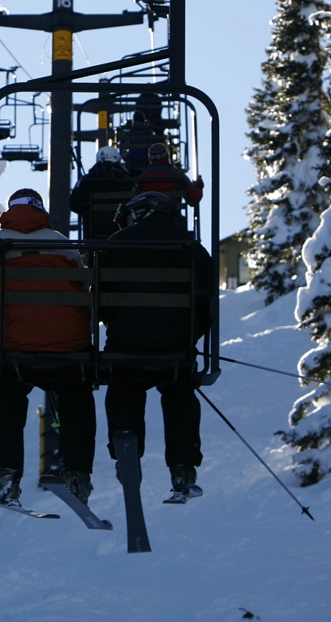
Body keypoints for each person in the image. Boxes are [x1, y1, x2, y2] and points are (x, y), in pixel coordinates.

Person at [0, 188, 97, 506]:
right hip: (70, 350)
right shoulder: (62, 242)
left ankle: (3, 474)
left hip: (18, 349)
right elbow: (83, 293)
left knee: (7, 397)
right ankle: (77, 473)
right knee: (75, 398)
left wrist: (5, 329)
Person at [98, 191, 214, 502]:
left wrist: (118, 326)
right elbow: (206, 306)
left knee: (124, 388)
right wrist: (188, 339)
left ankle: (127, 457)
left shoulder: (117, 244)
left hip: (126, 349)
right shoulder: (193, 249)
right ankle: (182, 468)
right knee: (179, 392)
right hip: (174, 352)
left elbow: (98, 303)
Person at [69, 146, 135, 240]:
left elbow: (74, 204)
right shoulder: (129, 180)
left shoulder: (87, 181)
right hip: (123, 231)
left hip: (94, 233)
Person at [135, 142, 204, 208]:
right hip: (171, 214)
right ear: (167, 156)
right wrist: (199, 187)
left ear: (150, 158)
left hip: (148, 215)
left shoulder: (143, 177)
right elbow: (194, 198)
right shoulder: (177, 175)